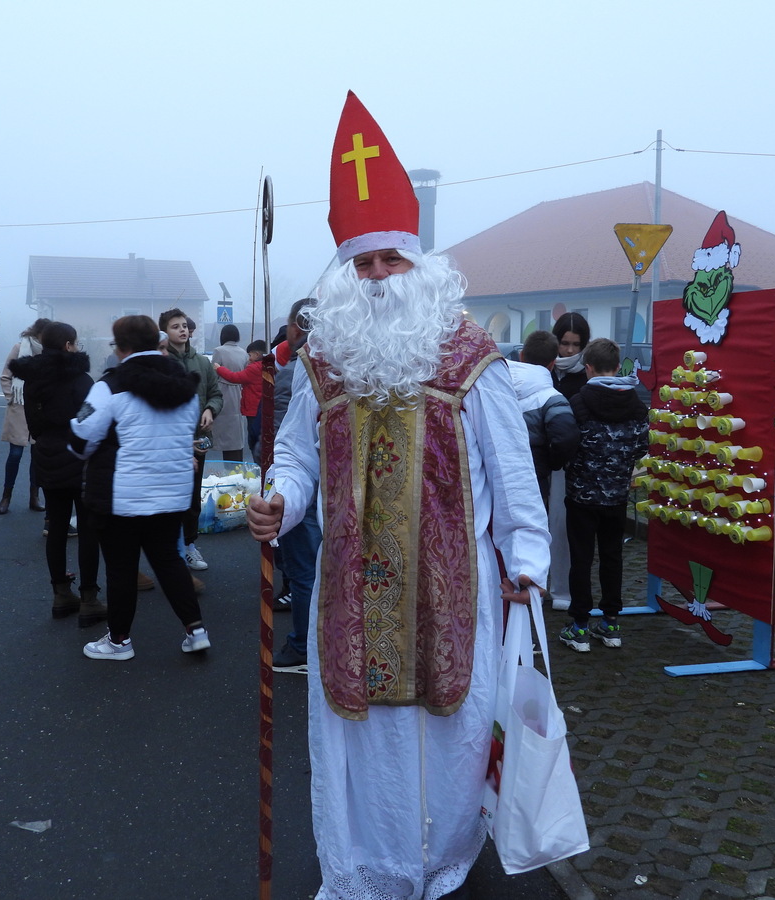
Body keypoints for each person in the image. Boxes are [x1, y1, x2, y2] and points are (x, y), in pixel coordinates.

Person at [246, 91, 550, 899]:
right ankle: (362, 869)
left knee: (448, 733)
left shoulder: (471, 361)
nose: (378, 279)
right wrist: (282, 500)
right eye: (363, 264)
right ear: (343, 275)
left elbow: (515, 478)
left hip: (453, 593)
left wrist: (527, 560)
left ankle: (440, 862)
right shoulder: (322, 365)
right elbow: (296, 459)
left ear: (421, 266)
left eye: (392, 261)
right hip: (348, 588)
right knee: (357, 740)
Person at [71, 315, 210, 660]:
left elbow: (82, 440)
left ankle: (119, 641)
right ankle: (196, 631)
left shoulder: (109, 386)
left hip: (124, 497)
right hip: (173, 491)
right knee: (170, 561)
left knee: (120, 567)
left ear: (121, 348)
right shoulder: (185, 383)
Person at [8, 321, 106, 627]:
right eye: (74, 343)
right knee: (89, 529)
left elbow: (32, 422)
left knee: (57, 527)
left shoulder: (31, 378)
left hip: (46, 456)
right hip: (78, 457)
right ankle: (89, 598)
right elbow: (92, 418)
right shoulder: (80, 378)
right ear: (67, 346)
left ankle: (61, 595)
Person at [560, 336, 649, 653]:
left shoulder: (578, 402)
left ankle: (580, 626)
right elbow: (642, 447)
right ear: (616, 367)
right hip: (616, 496)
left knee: (581, 559)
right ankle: (611, 623)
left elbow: (567, 443)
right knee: (613, 557)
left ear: (588, 368)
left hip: (582, 495)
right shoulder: (637, 404)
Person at [270, 299, 319, 674]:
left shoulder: (305, 365)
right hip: (300, 479)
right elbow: (296, 443)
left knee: (305, 568)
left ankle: (303, 643)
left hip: (311, 485)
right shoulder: (296, 361)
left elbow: (291, 436)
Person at [158, 308, 222, 572]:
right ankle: (170, 550)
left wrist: (210, 409)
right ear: (165, 332)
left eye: (184, 325)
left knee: (193, 495)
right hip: (169, 444)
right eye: (175, 326)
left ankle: (189, 545)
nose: (182, 330)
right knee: (171, 497)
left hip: (199, 439)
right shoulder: (160, 361)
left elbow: (216, 393)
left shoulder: (203, 362)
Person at [547, 310, 591, 610]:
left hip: (568, 461)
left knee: (561, 526)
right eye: (565, 343)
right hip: (541, 457)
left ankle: (561, 587)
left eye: (576, 344)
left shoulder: (584, 375)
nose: (570, 351)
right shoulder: (544, 369)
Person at [510, 330, 579, 509]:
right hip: (534, 479)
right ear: (552, 364)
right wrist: (551, 463)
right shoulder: (552, 399)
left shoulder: (494, 389)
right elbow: (566, 438)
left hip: (493, 477)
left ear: (521, 355)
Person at [0, 318, 49, 515]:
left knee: (37, 456)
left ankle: (34, 496)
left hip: (40, 410)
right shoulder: (20, 348)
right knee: (15, 455)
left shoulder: (49, 354)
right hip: (19, 409)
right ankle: (6, 497)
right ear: (38, 333)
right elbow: (5, 376)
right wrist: (12, 398)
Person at [214, 339, 266, 460]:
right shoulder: (267, 366)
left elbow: (234, 377)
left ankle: (257, 467)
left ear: (257, 354)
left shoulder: (254, 369)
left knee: (253, 442)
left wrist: (219, 368)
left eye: (250, 355)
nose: (248, 358)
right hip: (262, 409)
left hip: (253, 411)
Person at [211, 324, 248, 461]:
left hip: (223, 393)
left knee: (223, 434)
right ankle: (237, 465)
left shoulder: (218, 351)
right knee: (237, 434)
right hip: (239, 393)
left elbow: (213, 374)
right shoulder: (243, 352)